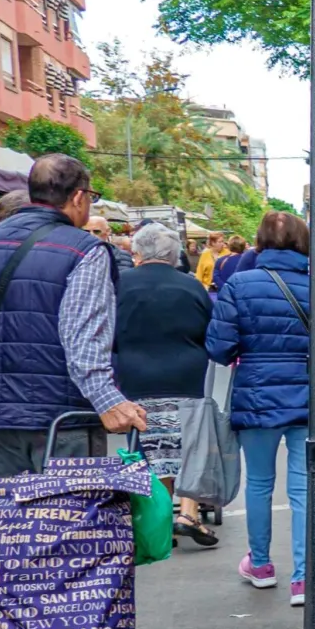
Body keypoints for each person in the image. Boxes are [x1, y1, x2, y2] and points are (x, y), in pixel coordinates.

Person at [0, 154, 148, 486]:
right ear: (78, 197)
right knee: (68, 527)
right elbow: (84, 345)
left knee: (0, 529)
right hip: (63, 422)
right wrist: (109, 401)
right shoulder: (84, 250)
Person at [207, 211, 315, 606]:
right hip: (308, 400)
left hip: (257, 399)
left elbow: (219, 348)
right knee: (303, 489)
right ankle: (304, 580)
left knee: (261, 484)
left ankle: (261, 566)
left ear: (260, 242)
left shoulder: (238, 285)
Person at [116, 221, 219, 548]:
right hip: (186, 376)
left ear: (137, 253)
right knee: (186, 441)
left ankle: (158, 519)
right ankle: (188, 514)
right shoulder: (192, 287)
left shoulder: (119, 285)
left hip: (136, 377)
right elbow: (209, 332)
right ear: (175, 256)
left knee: (151, 445)